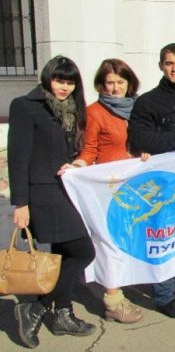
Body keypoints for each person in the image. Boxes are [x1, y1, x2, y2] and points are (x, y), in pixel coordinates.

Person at [9, 56, 96, 349]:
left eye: (70, 82)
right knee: (83, 251)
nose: (65, 87)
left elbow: (74, 150)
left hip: (66, 190)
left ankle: (62, 314)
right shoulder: (25, 106)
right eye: (60, 80)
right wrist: (20, 204)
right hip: (43, 193)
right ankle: (35, 307)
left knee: (62, 255)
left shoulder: (73, 110)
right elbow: (18, 158)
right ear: (48, 78)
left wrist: (79, 163)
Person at [65, 59, 145, 322]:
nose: (115, 88)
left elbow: (143, 139)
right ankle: (113, 300)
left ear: (129, 83)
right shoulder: (95, 112)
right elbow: (89, 150)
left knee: (129, 240)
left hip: (135, 185)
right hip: (109, 187)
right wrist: (77, 167)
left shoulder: (138, 108)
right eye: (109, 82)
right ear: (101, 84)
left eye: (120, 82)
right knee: (109, 243)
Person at [127, 43, 175, 319]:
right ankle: (163, 296)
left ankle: (172, 281)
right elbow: (139, 138)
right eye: (169, 63)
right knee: (163, 237)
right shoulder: (147, 101)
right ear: (161, 65)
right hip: (161, 183)